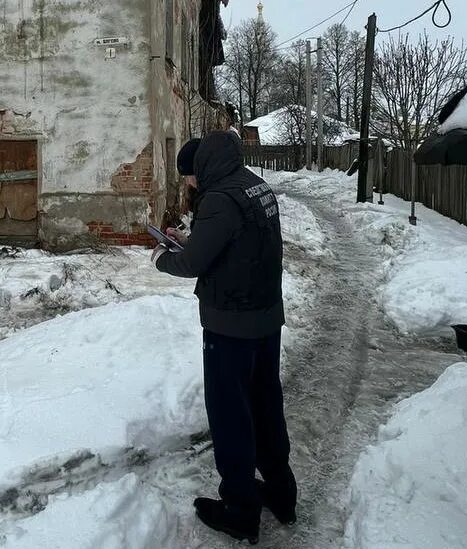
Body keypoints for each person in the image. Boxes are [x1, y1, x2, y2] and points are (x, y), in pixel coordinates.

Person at [153, 132, 297, 544]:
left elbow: (197, 262)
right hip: (266, 318)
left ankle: (239, 508)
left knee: (231, 413)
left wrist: (165, 257)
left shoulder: (218, 199)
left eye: (188, 178)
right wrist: (190, 240)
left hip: (230, 325)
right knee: (266, 403)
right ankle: (281, 492)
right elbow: (234, 243)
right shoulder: (254, 184)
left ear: (201, 170)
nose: (189, 185)